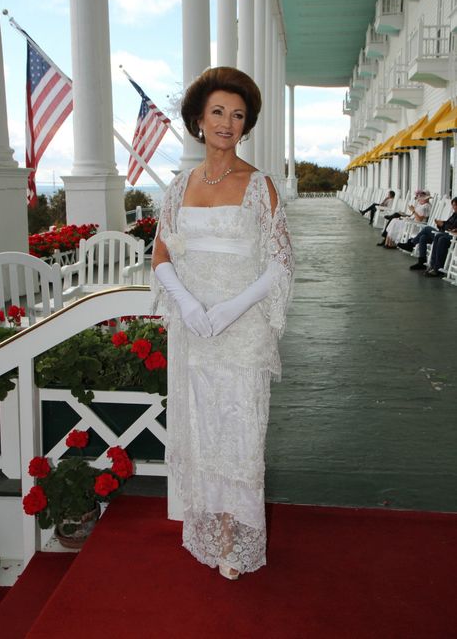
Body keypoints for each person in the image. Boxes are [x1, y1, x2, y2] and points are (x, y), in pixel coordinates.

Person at [151, 67, 294, 581]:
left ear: (246, 123)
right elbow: (161, 253)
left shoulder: (259, 185)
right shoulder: (177, 187)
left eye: (237, 115)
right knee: (202, 429)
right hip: (195, 331)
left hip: (240, 329)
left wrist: (230, 309)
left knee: (240, 432)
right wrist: (188, 305)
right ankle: (215, 529)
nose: (227, 123)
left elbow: (280, 262)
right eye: (218, 112)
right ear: (198, 119)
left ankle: (237, 538)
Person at [397, 197, 457, 273]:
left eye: (454, 205)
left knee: (427, 228)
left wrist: (443, 225)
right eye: (452, 205)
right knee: (423, 237)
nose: (453, 207)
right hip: (443, 233)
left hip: (449, 236)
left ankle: (411, 244)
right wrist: (441, 223)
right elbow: (448, 224)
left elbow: (452, 228)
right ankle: (421, 262)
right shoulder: (454, 214)